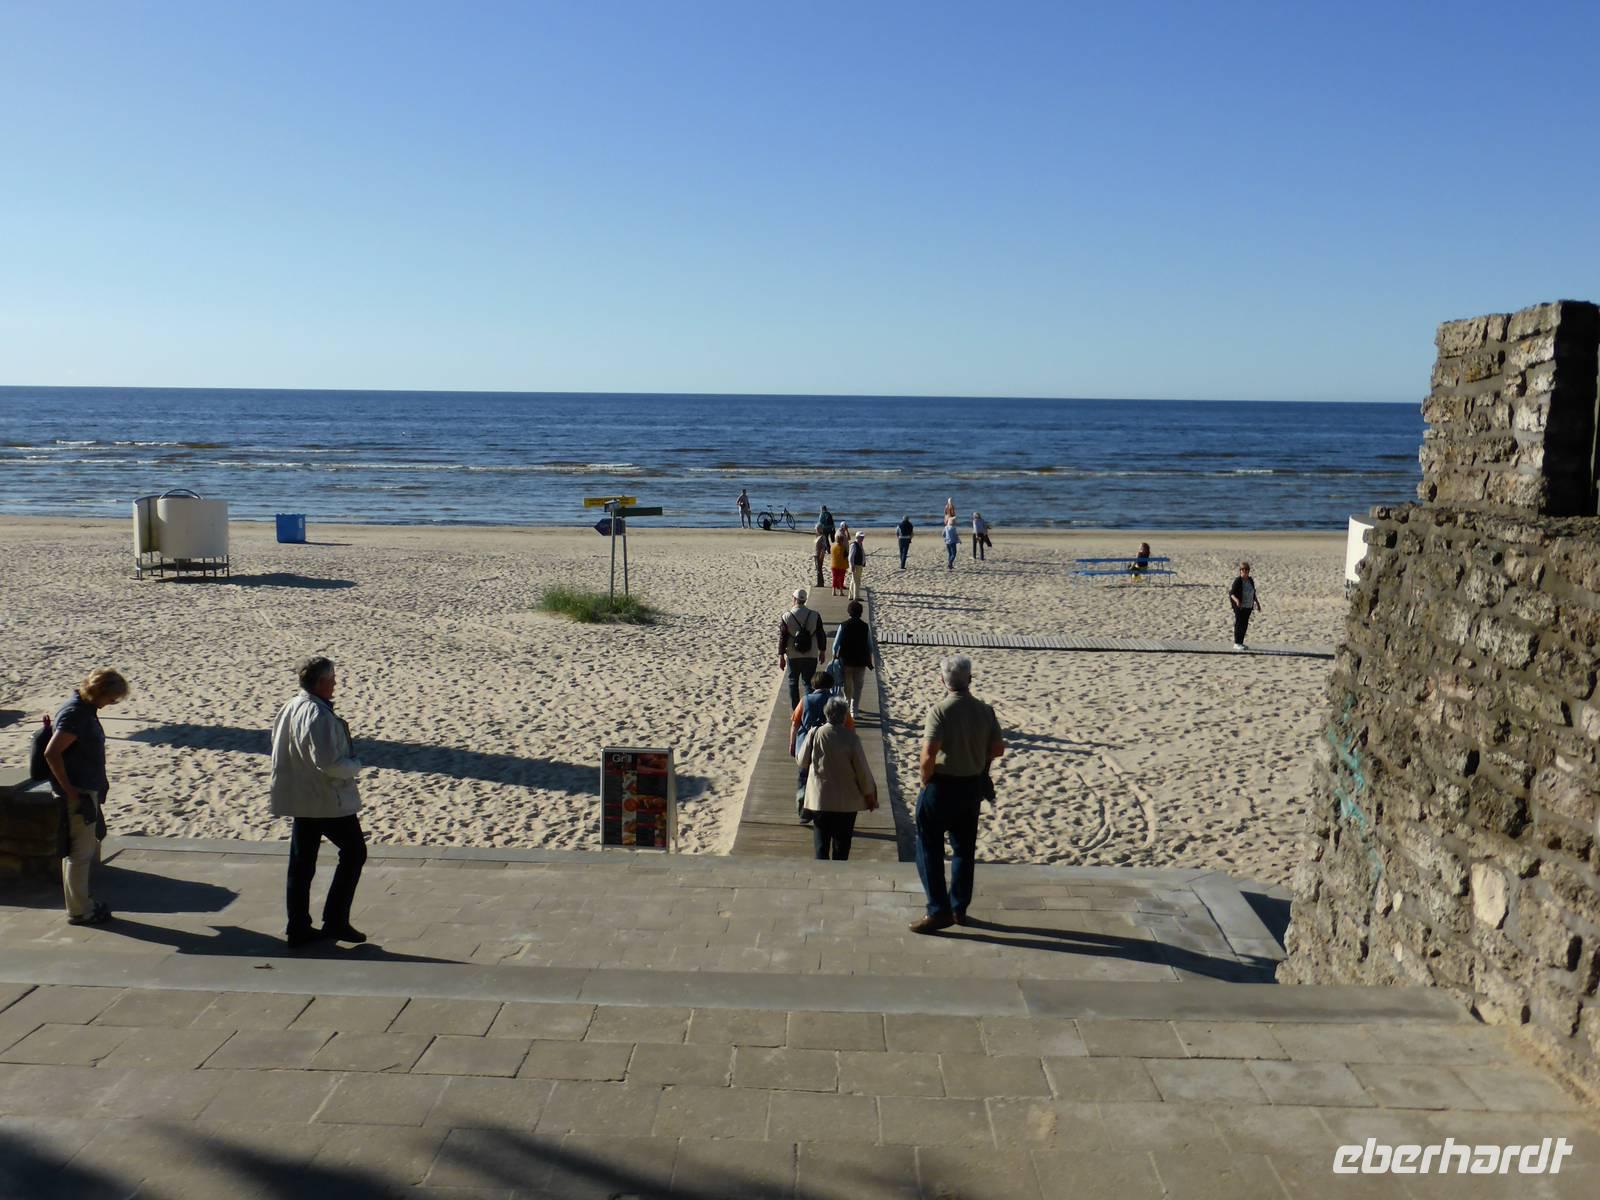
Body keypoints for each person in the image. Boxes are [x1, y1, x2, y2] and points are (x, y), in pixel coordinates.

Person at [271, 656, 368, 947]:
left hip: (301, 797)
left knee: (301, 865)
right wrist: (355, 765)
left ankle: (298, 926)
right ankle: (335, 921)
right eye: (332, 678)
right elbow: (329, 762)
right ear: (321, 682)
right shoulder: (318, 715)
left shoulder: (290, 706)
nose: (336, 682)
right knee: (354, 853)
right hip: (325, 800)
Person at [911, 655, 1004, 934]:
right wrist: (978, 757)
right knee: (964, 849)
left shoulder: (940, 711)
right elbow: (998, 749)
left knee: (928, 847)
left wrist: (924, 778)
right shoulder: (985, 711)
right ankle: (958, 908)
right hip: (970, 787)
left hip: (942, 786)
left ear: (943, 681)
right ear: (970, 679)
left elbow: (928, 754)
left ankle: (938, 910)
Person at [42, 668, 130, 927]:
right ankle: (81, 911)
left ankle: (80, 903)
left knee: (78, 851)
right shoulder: (75, 714)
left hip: (84, 789)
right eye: (113, 698)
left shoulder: (82, 708)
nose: (113, 703)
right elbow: (52, 753)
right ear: (100, 693)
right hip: (79, 792)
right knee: (80, 853)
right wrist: (70, 790)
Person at [798, 697, 879, 860]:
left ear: (826, 714)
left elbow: (801, 761)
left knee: (821, 846)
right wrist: (870, 795)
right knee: (841, 847)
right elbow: (862, 771)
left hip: (820, 798)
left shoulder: (814, 733)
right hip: (846, 802)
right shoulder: (852, 738)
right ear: (844, 716)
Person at [778, 587, 826, 708]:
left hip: (793, 655)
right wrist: (822, 651)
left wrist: (781, 656)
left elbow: (783, 637)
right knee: (809, 683)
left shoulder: (786, 616)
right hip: (811, 653)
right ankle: (808, 709)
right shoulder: (814, 615)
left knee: (793, 682)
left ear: (794, 599)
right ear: (805, 600)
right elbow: (821, 634)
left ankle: (795, 710)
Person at [831, 599, 875, 718]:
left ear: (849, 612)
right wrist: (869, 658)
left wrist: (834, 655)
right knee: (858, 686)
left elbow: (836, 644)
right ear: (860, 612)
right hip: (860, 661)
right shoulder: (865, 627)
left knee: (847, 685)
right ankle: (854, 710)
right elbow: (870, 646)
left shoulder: (844, 625)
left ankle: (847, 704)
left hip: (846, 660)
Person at [1229, 561, 1263, 650]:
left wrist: (1257, 603)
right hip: (1240, 607)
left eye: (1247, 569)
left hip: (1248, 606)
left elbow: (1253, 592)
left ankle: (1241, 643)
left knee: (1244, 625)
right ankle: (1236, 643)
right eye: (1243, 569)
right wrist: (1237, 601)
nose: (1245, 571)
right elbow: (1232, 593)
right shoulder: (1238, 581)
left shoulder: (1250, 580)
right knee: (1239, 624)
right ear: (1240, 571)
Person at [848, 531, 867, 600]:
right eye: (861, 537)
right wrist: (852, 565)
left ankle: (851, 595)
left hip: (859, 564)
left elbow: (862, 553)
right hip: (856, 565)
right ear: (857, 537)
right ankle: (856, 597)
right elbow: (851, 557)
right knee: (857, 581)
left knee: (854, 580)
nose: (862, 538)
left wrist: (864, 562)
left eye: (863, 537)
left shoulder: (860, 544)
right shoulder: (854, 545)